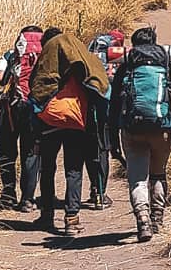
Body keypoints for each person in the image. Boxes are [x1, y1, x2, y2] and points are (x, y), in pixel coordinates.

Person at [108, 27, 171, 243]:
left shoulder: (126, 68)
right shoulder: (166, 66)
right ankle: (157, 218)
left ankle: (143, 220)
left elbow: (115, 105)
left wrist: (112, 140)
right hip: (162, 128)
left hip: (132, 130)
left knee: (137, 178)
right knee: (158, 174)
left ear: (133, 45)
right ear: (155, 43)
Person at [29, 27, 110, 236]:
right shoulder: (83, 60)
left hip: (50, 120)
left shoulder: (46, 61)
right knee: (73, 170)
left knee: (47, 169)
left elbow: (35, 89)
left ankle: (47, 215)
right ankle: (71, 219)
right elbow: (99, 86)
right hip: (77, 120)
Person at [0, 25, 43, 212]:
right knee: (30, 153)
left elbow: (0, 78)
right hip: (34, 109)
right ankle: (28, 199)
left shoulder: (10, 55)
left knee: (6, 150)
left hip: (10, 110)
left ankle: (8, 193)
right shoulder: (45, 56)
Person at [85, 29, 126, 209]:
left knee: (90, 149)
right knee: (103, 150)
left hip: (89, 107)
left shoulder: (90, 52)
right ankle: (100, 193)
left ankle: (95, 187)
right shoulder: (118, 54)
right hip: (109, 109)